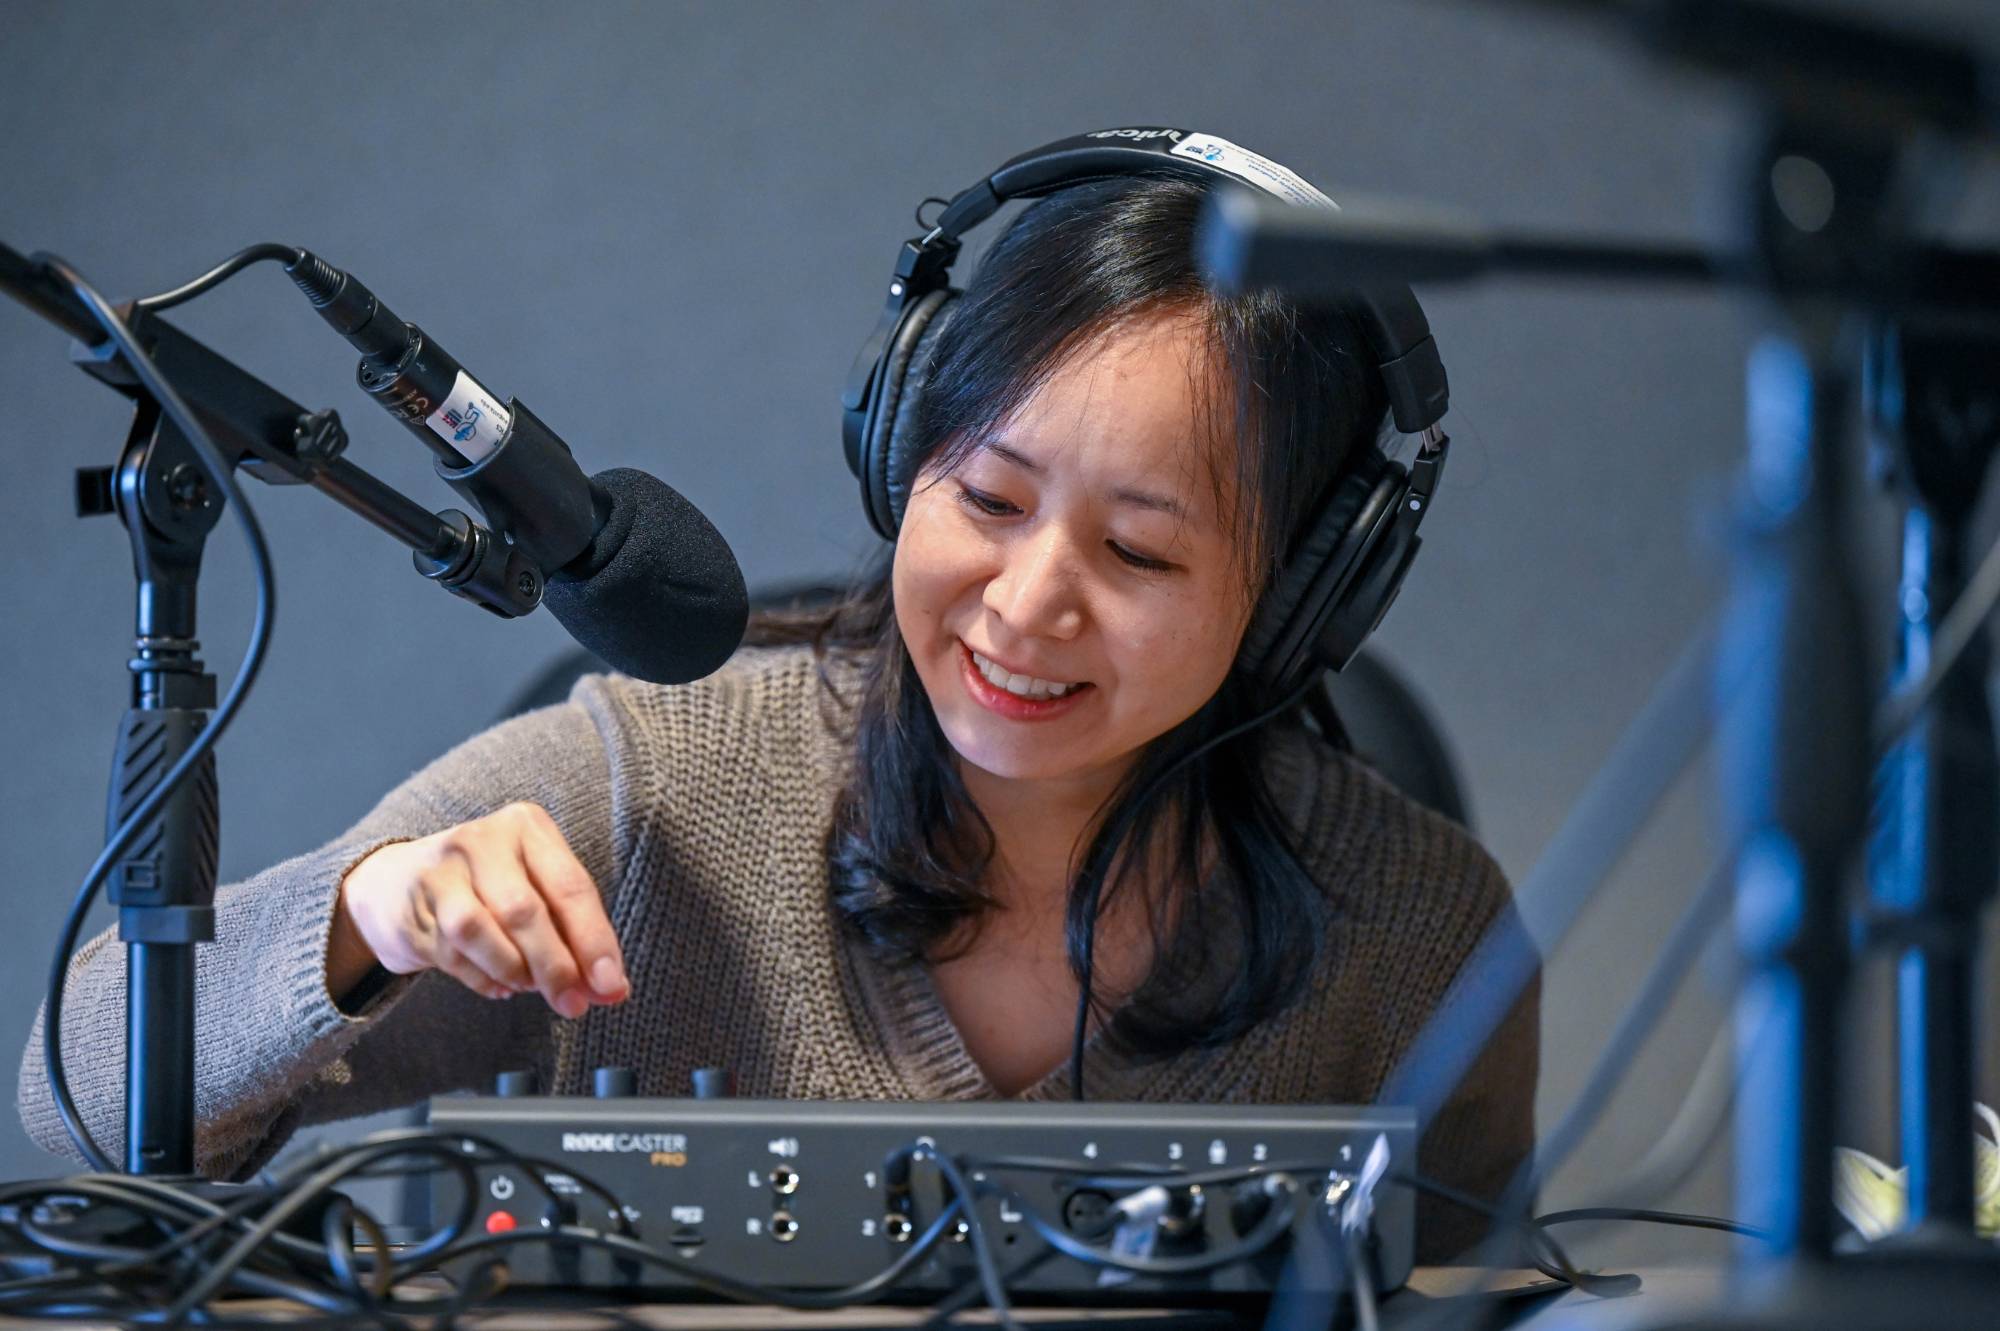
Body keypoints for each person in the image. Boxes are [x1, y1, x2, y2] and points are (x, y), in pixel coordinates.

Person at [17, 146, 1538, 1264]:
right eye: (988, 501)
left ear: (1301, 592)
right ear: (897, 462)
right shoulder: (645, 792)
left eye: (1138, 550)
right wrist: (367, 916)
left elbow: (1491, 1287)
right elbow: (73, 1108)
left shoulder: (1413, 925)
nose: (1024, 605)